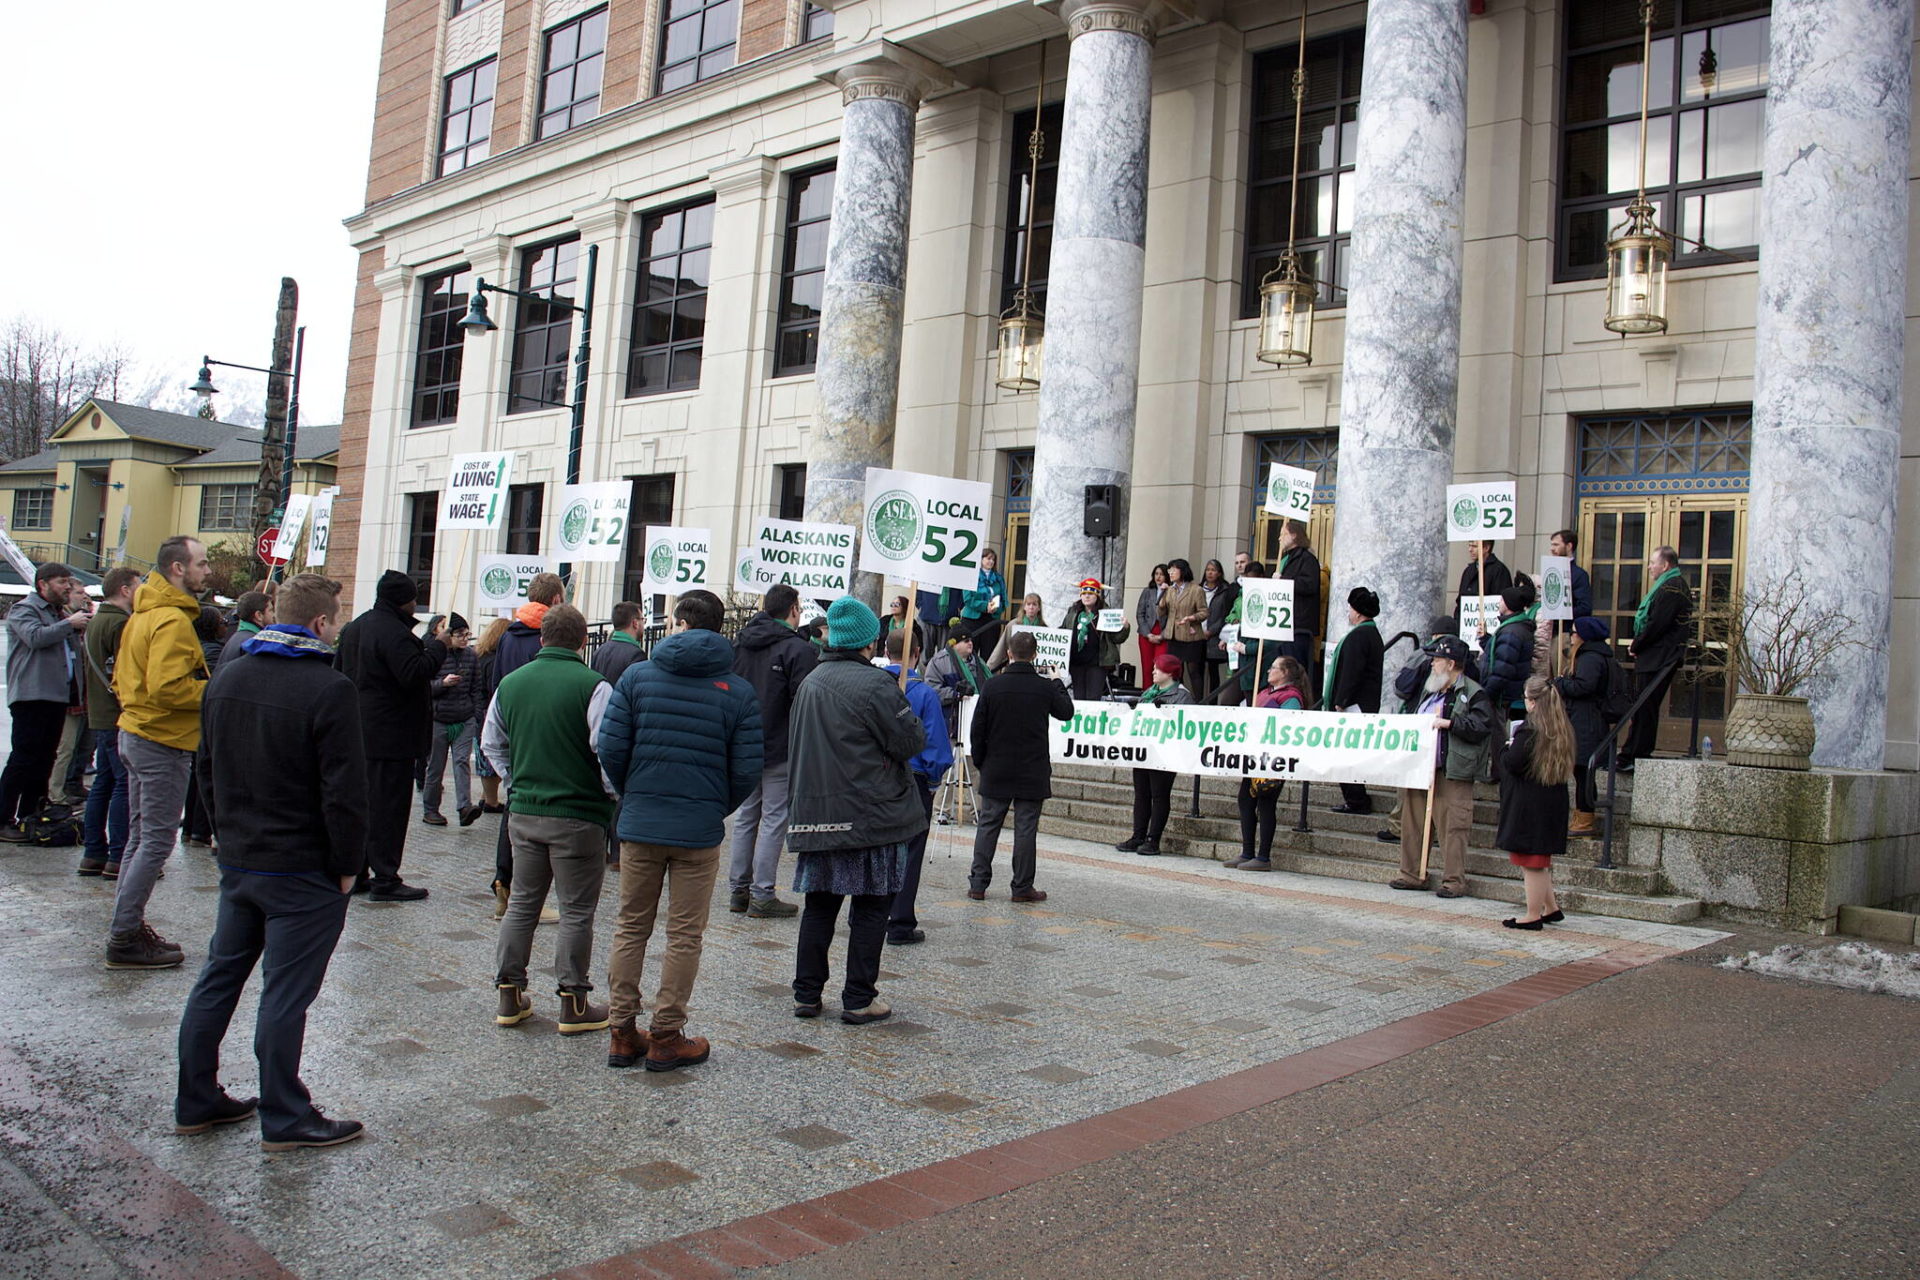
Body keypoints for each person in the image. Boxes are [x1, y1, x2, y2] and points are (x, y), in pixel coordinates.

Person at [175, 572, 367, 1152]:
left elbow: (205, 768)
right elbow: (345, 793)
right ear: (318, 624)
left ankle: (195, 1097)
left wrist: (222, 834)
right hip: (300, 868)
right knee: (284, 994)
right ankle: (285, 1115)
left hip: (242, 860)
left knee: (219, 978)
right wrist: (347, 865)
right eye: (334, 619)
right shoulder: (328, 689)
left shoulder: (228, 677)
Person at [598, 589, 762, 1071]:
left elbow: (611, 747)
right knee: (685, 934)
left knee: (631, 927)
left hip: (642, 821)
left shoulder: (636, 676)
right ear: (720, 627)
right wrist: (713, 804)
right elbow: (747, 769)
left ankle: (622, 1032)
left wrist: (636, 791)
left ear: (680, 623)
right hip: (697, 828)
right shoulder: (738, 690)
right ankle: (667, 1036)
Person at [784, 597, 925, 1023]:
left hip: (817, 814)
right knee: (870, 908)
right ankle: (859, 997)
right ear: (869, 641)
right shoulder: (876, 685)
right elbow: (911, 742)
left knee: (820, 907)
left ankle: (807, 994)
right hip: (870, 816)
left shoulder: (810, 682)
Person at [482, 604, 616, 1036]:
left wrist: (514, 780)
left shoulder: (510, 684)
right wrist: (610, 795)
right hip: (577, 813)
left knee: (521, 904)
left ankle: (509, 993)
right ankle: (573, 1002)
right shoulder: (594, 686)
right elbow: (606, 751)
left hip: (523, 811)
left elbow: (491, 744)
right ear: (582, 642)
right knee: (577, 910)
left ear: (541, 639)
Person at [104, 538, 212, 969]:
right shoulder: (169, 619)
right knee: (154, 841)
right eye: (201, 564)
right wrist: (214, 688)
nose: (208, 571)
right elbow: (168, 688)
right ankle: (124, 935)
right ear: (177, 568)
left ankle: (125, 925)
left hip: (138, 732)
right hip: (160, 738)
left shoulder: (146, 613)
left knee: (140, 838)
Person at [334, 569, 447, 901]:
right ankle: (385, 877)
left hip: (360, 732)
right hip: (391, 737)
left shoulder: (355, 628)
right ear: (406, 601)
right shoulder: (394, 633)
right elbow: (414, 673)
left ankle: (359, 871)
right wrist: (438, 648)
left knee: (365, 806)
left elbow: (339, 672)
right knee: (389, 810)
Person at [728, 583, 819, 918]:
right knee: (774, 817)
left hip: (746, 742)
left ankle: (739, 889)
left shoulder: (742, 642)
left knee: (747, 815)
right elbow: (804, 703)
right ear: (793, 610)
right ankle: (762, 893)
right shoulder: (797, 649)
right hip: (780, 745)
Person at [968, 629, 1074, 902]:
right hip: (1032, 768)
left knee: (988, 825)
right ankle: (1022, 886)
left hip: (997, 766)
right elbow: (1066, 712)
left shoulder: (992, 686)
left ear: (1009, 654)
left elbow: (977, 730)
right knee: (1026, 829)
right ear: (1035, 654)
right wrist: (1057, 681)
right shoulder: (1044, 687)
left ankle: (978, 884)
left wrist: (981, 761)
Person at [481, 573, 566, 905]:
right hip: (540, 735)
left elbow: (498, 686)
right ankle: (521, 888)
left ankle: (504, 878)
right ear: (556, 600)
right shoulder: (542, 640)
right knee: (532, 812)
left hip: (514, 731)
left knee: (515, 805)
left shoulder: (509, 636)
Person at [1390, 636, 1494, 898]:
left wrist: (1451, 724)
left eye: (1436, 659)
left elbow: (1482, 726)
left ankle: (1453, 880)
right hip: (1422, 768)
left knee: (1453, 826)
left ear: (1450, 663)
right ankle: (1411, 873)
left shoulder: (1473, 692)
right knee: (1412, 822)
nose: (1432, 664)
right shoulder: (1431, 689)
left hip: (1452, 769)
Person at [0, 562, 89, 842]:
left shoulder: (58, 613)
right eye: (62, 582)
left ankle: (31, 815)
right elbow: (35, 637)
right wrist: (68, 625)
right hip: (31, 695)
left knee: (45, 760)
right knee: (24, 758)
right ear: (43, 584)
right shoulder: (24, 609)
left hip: (57, 696)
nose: (67, 587)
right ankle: (3, 819)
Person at [1376, 615, 1478, 845]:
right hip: (1445, 738)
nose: (1434, 663)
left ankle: (1401, 826)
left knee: (1412, 785)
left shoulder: (1426, 655)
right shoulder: (1465, 659)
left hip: (1431, 729)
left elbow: (1402, 687)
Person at [880, 626, 953, 945]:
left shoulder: (875, 687)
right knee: (910, 851)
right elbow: (935, 742)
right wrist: (935, 778)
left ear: (886, 652)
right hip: (914, 778)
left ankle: (871, 913)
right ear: (918, 653)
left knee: (879, 846)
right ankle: (899, 921)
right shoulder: (923, 694)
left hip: (877, 776)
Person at [1497, 676, 1572, 929]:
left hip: (1530, 803)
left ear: (1532, 702)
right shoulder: (1560, 726)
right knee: (1539, 859)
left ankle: (1532, 915)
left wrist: (1506, 748)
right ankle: (1550, 908)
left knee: (1532, 863)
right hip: (1551, 799)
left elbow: (1513, 762)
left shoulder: (1530, 730)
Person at [78, 567, 140, 877]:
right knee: (122, 784)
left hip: (100, 712)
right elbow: (125, 672)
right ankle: (118, 855)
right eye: (138, 586)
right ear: (126, 590)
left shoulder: (97, 620)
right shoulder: (119, 623)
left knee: (104, 781)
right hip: (118, 713)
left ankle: (93, 852)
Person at [1229, 654, 1309, 871]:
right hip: (1254, 756)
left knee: (1265, 804)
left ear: (1285, 673)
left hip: (1273, 759)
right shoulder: (1264, 692)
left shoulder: (1291, 697)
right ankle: (1247, 852)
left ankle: (1263, 857)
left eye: (1273, 668)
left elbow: (1289, 725)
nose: (1268, 671)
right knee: (1246, 800)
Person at [1619, 545, 1692, 772]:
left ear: (1666, 565)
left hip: (1660, 657)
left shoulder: (1672, 588)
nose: (1649, 567)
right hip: (1654, 655)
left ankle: (1635, 754)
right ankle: (1632, 752)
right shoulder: (1669, 586)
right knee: (1643, 707)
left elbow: (1657, 624)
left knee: (1645, 707)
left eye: (1653, 563)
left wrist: (1637, 643)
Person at [1117, 654, 1192, 855]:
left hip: (1165, 753)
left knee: (1159, 795)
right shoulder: (1150, 692)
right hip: (1143, 750)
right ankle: (1138, 835)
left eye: (1157, 669)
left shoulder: (1182, 696)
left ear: (1170, 672)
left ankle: (1153, 838)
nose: (1153, 672)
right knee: (1141, 794)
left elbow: (1185, 724)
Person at [1325, 587, 1384, 816]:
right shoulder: (1369, 634)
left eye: (1350, 608)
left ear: (1358, 612)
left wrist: (1341, 701)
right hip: (1361, 703)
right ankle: (1355, 797)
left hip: (1355, 705)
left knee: (1346, 754)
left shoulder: (1360, 635)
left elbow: (1352, 672)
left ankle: (1356, 799)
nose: (1348, 612)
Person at [1554, 616, 1613, 837]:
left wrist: (1561, 683)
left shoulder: (1591, 658)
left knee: (1584, 772)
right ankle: (1582, 814)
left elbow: (1584, 686)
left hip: (1587, 722)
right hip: (1584, 719)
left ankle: (1585, 817)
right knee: (1580, 772)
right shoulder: (1591, 655)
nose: (1571, 636)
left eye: (1575, 632)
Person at [179, 606, 228, 849]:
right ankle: (198, 829)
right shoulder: (212, 652)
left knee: (196, 774)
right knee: (202, 773)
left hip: (196, 718)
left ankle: (190, 828)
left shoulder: (203, 647)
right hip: (202, 718)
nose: (225, 625)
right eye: (221, 621)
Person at [423, 613, 479, 827]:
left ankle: (465, 807)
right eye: (460, 635)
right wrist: (442, 684)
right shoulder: (435, 654)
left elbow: (476, 687)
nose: (465, 639)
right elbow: (423, 685)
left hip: (464, 717)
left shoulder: (471, 656)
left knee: (461, 761)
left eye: (467, 635)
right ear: (450, 635)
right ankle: (431, 809)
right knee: (435, 766)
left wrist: (474, 713)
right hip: (439, 717)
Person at [1480, 579, 1539, 780]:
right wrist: (1486, 640)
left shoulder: (1512, 631)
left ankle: (1499, 771)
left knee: (1496, 733)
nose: (1498, 603)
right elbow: (1502, 655)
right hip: (1503, 690)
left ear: (1509, 604)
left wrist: (1488, 691)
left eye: (1501, 600)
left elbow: (1504, 666)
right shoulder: (1513, 628)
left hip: (1500, 692)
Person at [48, 579, 95, 807]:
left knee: (79, 746)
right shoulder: (63, 620)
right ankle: (54, 794)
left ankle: (69, 785)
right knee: (64, 748)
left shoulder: (82, 620)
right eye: (79, 592)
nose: (84, 597)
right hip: (67, 695)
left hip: (82, 694)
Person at [1061, 578, 1129, 700]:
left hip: (1097, 663)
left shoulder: (1106, 613)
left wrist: (1125, 628)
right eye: (1084, 593)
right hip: (1076, 663)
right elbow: (1064, 630)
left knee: (1093, 698)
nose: (1087, 596)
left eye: (1091, 593)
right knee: (1079, 698)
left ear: (1097, 595)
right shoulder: (1073, 612)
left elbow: (1117, 638)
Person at [924, 622, 991, 741]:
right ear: (954, 644)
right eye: (966, 641)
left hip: (977, 723)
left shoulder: (980, 663)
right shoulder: (938, 662)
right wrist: (956, 694)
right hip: (951, 726)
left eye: (971, 640)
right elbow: (931, 691)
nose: (970, 643)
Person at [1218, 560, 1272, 707]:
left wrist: (1248, 649)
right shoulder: (1242, 596)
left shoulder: (1269, 599)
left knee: (1253, 703)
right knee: (1227, 701)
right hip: (1242, 659)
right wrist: (1229, 636)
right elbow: (1234, 614)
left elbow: (1271, 640)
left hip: (1258, 662)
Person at [472, 617, 512, 816]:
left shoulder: (480, 657)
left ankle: (487, 796)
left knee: (486, 758)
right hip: (487, 711)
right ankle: (491, 800)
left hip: (479, 712)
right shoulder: (493, 661)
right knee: (490, 758)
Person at [1275, 520, 1321, 666]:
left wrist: (1284, 579)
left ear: (1294, 535)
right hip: (1285, 624)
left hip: (1298, 625)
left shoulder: (1307, 559)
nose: (1279, 538)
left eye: (1283, 534)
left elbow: (1309, 585)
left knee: (1294, 668)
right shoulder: (1287, 559)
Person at [1160, 558, 1208, 697]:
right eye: (1170, 570)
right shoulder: (1169, 590)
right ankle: (1176, 698)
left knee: (1194, 672)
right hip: (1173, 636)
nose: (1171, 572)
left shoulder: (1196, 590)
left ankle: (1199, 702)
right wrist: (1162, 597)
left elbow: (1204, 612)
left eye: (1174, 569)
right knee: (1175, 671)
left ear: (1183, 571)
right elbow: (1162, 612)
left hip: (1191, 636)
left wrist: (1191, 618)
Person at [1201, 556, 1242, 697]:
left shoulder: (1225, 590)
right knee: (1197, 671)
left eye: (1213, 570)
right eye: (1208, 570)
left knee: (1214, 672)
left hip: (1215, 636)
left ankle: (1212, 702)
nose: (1210, 573)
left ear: (1219, 573)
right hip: (1197, 635)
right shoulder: (1199, 589)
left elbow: (1224, 613)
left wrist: (1212, 631)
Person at [960, 547, 1008, 655]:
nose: (991, 561)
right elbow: (968, 599)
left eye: (993, 559)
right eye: (988, 558)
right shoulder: (971, 575)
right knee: (969, 653)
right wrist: (985, 606)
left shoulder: (999, 579)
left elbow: (1003, 599)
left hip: (991, 620)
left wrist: (996, 607)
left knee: (989, 653)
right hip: (972, 620)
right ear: (981, 559)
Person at [1455, 540, 1513, 624]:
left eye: (1474, 546)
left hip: (1490, 625)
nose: (1470, 549)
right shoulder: (1468, 571)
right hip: (1467, 626)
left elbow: (1503, 602)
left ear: (1486, 548)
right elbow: (1460, 601)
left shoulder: (1499, 570)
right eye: (1469, 545)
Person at [590, 601, 647, 685]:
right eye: (642, 620)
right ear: (635, 623)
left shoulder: (599, 651)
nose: (643, 624)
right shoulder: (637, 655)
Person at [988, 594, 1047, 671]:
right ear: (1024, 607)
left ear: (1039, 608)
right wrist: (988, 669)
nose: (1031, 607)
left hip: (1035, 671)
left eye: (1034, 604)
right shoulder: (1013, 625)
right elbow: (1001, 648)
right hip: (1013, 669)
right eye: (1028, 604)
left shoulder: (1044, 629)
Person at [218, 591, 274, 669]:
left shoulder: (238, 637)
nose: (273, 615)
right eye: (271, 610)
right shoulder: (253, 644)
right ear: (259, 615)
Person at [1135, 563, 1170, 680]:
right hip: (1147, 632)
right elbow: (1140, 614)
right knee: (1147, 667)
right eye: (1156, 574)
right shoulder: (1147, 591)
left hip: (1163, 632)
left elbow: (1173, 616)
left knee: (1160, 666)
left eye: (1162, 574)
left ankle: (1159, 696)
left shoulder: (1171, 591)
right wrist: (1148, 634)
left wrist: (1162, 636)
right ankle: (1147, 695)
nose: (1158, 577)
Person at [1549, 529, 1592, 621]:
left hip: (1565, 629)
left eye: (1556, 545)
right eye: (1551, 545)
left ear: (1569, 546)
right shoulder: (1550, 571)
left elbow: (1585, 608)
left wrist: (1560, 613)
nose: (1552, 549)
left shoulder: (1579, 575)